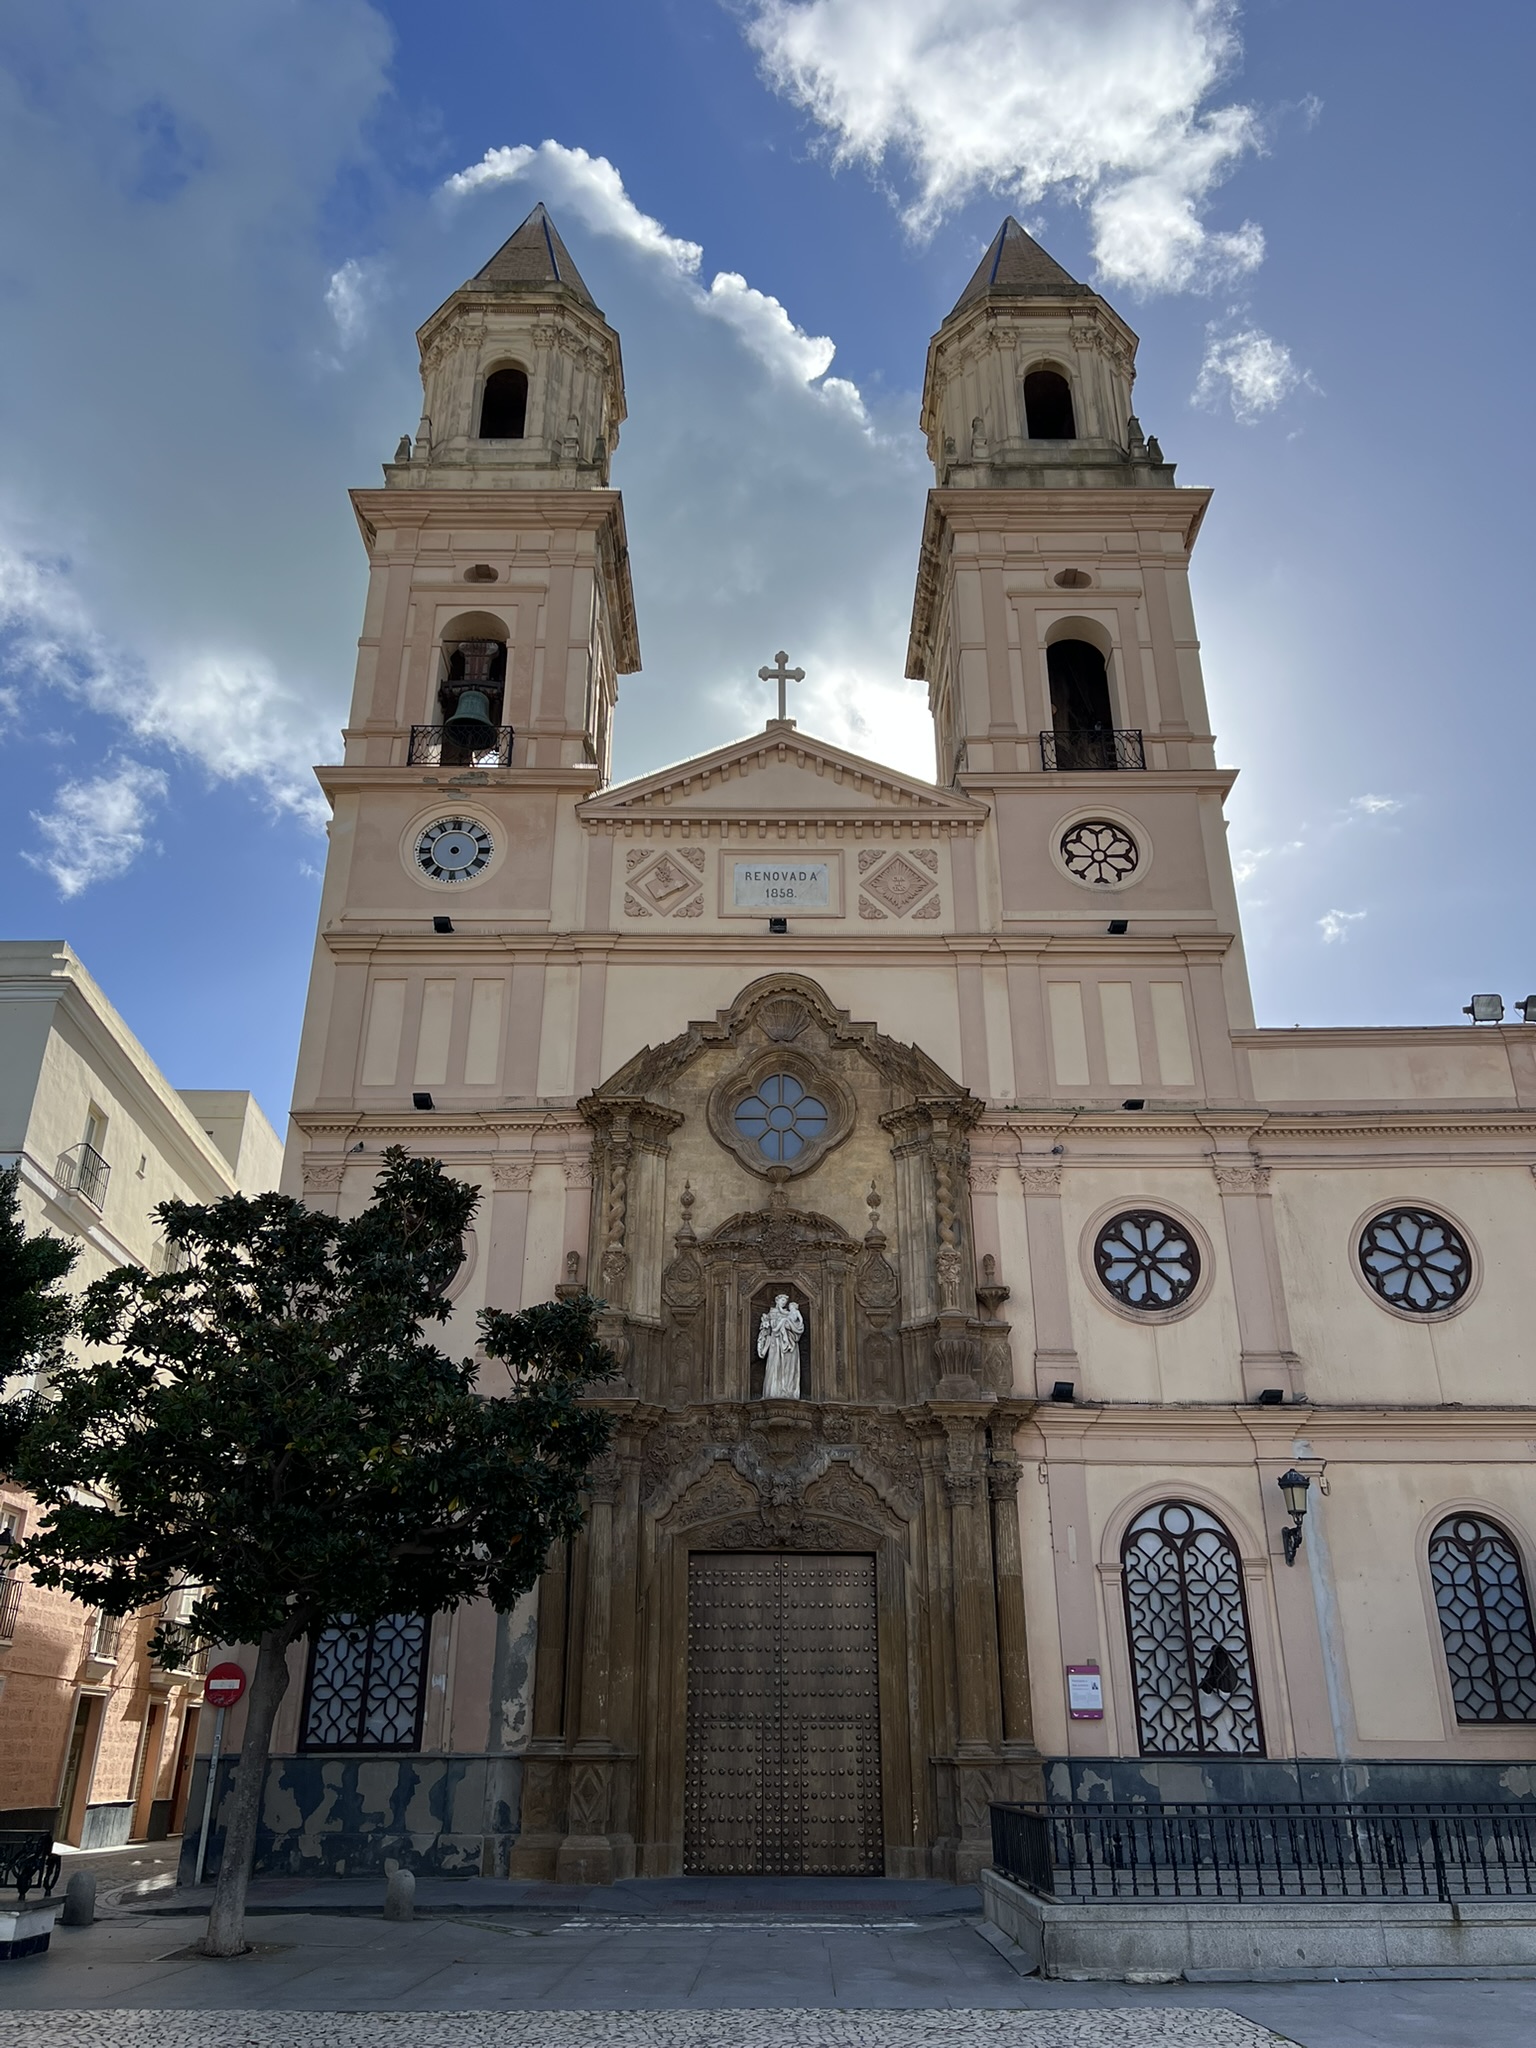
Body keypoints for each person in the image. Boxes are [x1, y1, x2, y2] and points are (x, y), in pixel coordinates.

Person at [757, 1293, 804, 1399]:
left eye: (785, 1301)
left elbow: (798, 1326)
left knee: (788, 1366)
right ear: (777, 1301)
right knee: (775, 1365)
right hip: (775, 1343)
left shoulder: (790, 1313)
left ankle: (788, 1391)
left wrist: (787, 1325)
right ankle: (773, 1391)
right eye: (782, 1300)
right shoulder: (771, 1313)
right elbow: (765, 1329)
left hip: (789, 1345)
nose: (784, 1303)